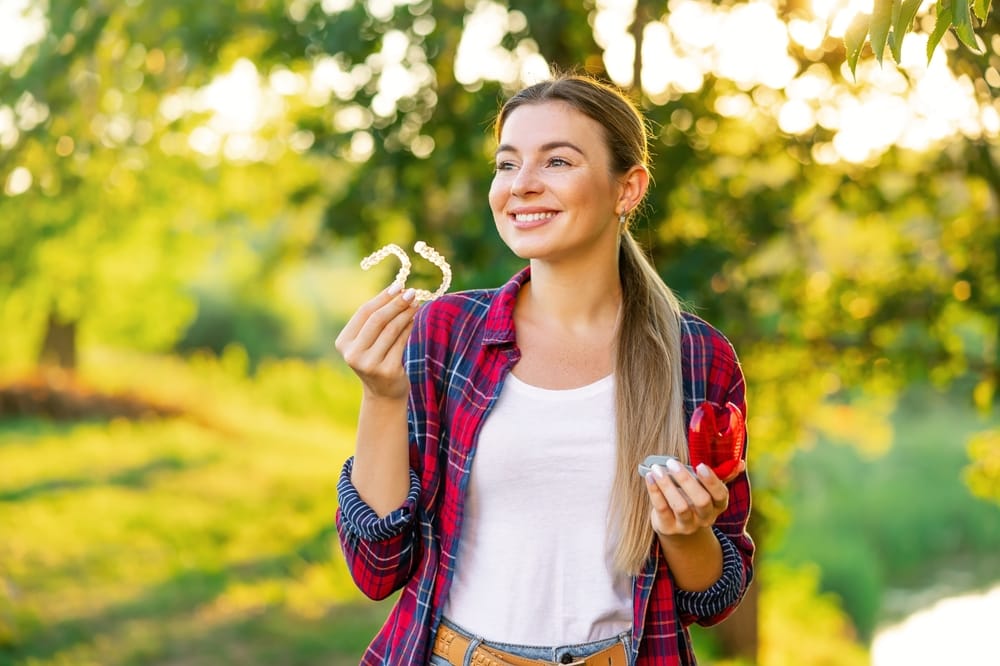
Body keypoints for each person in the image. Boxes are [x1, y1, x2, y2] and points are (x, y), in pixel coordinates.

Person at [334, 74, 754, 666]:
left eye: (557, 161)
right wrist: (380, 397)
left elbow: (715, 596)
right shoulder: (447, 332)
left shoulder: (697, 358)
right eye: (507, 165)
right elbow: (377, 569)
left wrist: (686, 533)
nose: (523, 185)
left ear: (627, 188)